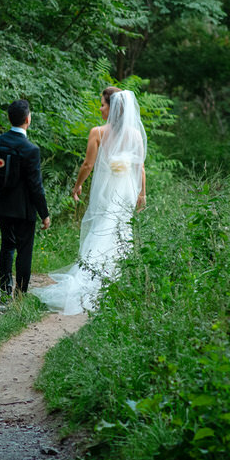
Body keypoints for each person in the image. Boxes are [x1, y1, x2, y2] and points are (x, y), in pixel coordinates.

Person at [34, 87, 146, 316]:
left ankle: (90, 280)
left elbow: (88, 165)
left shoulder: (98, 132)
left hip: (107, 190)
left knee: (102, 229)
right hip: (126, 191)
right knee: (119, 231)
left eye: (103, 105)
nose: (100, 108)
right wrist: (141, 194)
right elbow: (140, 167)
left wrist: (77, 186)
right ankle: (115, 281)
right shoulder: (135, 135)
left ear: (112, 108)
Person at [0, 99, 51, 300]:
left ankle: (5, 290)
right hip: (23, 210)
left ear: (9, 118)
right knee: (24, 251)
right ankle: (20, 296)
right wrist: (44, 214)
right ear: (28, 119)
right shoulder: (30, 149)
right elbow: (35, 186)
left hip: (2, 205)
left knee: (6, 246)